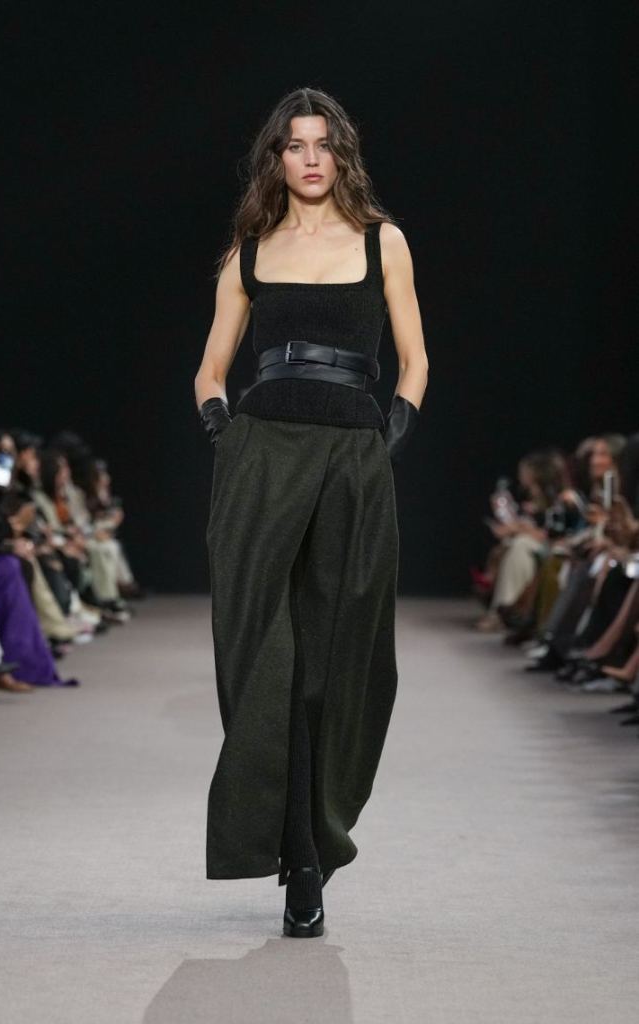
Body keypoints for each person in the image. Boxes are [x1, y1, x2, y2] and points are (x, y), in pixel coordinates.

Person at [194, 87, 429, 938]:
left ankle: (314, 840)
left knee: (339, 654)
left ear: (342, 153)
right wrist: (223, 432)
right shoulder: (249, 251)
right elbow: (211, 368)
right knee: (263, 654)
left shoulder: (381, 240)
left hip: (350, 456)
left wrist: (387, 433)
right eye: (294, 145)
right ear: (276, 158)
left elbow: (414, 359)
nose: (310, 158)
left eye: (322, 143)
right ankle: (296, 858)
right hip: (261, 454)